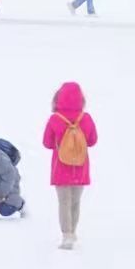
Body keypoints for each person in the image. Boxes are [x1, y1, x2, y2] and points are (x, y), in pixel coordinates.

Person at [42, 81, 98, 250]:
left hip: (61, 167)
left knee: (64, 202)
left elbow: (47, 143)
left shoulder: (55, 119)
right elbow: (93, 140)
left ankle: (66, 235)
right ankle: (72, 232)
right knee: (75, 202)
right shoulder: (86, 118)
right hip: (80, 167)